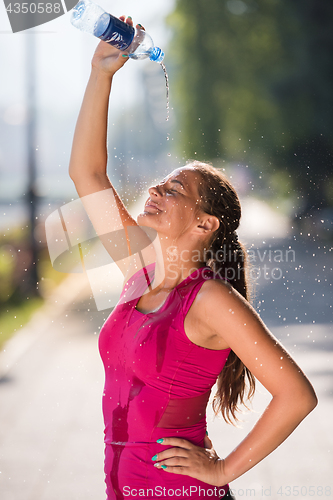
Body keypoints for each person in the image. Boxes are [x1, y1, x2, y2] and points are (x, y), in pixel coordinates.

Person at [68, 17, 317, 500]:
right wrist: (101, 74)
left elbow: (297, 396)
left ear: (205, 224)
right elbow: (88, 174)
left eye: (176, 189)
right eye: (163, 182)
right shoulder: (139, 272)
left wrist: (223, 471)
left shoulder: (210, 300)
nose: (157, 188)